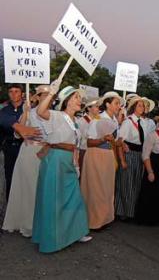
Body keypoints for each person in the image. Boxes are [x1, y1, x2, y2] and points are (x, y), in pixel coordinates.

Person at [32, 85, 91, 253]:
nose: (80, 100)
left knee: (74, 197)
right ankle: (53, 238)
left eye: (79, 98)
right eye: (76, 98)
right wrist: (51, 92)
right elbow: (40, 112)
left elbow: (76, 145)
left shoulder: (76, 122)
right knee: (54, 199)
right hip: (55, 160)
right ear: (66, 101)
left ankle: (77, 231)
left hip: (68, 161)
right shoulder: (58, 116)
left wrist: (77, 164)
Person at [2, 85, 50, 237]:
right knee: (28, 186)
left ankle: (44, 220)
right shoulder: (28, 112)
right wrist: (26, 112)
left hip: (47, 153)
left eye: (49, 96)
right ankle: (28, 222)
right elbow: (19, 131)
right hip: (28, 152)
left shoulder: (54, 114)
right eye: (43, 95)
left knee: (44, 187)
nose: (46, 98)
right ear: (37, 97)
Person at [80, 91, 124, 230]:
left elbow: (115, 142)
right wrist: (103, 139)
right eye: (116, 103)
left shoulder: (114, 121)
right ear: (107, 104)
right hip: (96, 155)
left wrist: (119, 142)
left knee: (107, 189)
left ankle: (105, 218)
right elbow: (89, 142)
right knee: (96, 189)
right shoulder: (97, 120)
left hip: (108, 155)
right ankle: (94, 221)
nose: (119, 106)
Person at [115, 96, 147, 220]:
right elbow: (119, 141)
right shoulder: (128, 122)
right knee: (126, 183)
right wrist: (122, 159)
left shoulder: (143, 122)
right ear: (133, 107)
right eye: (139, 105)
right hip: (129, 154)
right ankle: (125, 212)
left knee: (136, 183)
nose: (142, 107)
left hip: (139, 155)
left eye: (143, 106)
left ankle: (132, 210)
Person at [0, 84, 24, 201]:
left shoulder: (29, 109)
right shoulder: (4, 110)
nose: (13, 94)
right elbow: (5, 125)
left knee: (25, 178)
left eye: (16, 91)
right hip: (9, 148)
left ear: (22, 94)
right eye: (10, 91)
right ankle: (10, 206)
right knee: (10, 178)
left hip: (25, 148)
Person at [76, 98, 99, 169]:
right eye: (96, 106)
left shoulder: (98, 120)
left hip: (96, 152)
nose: (99, 109)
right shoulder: (81, 121)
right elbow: (78, 139)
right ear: (89, 108)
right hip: (84, 151)